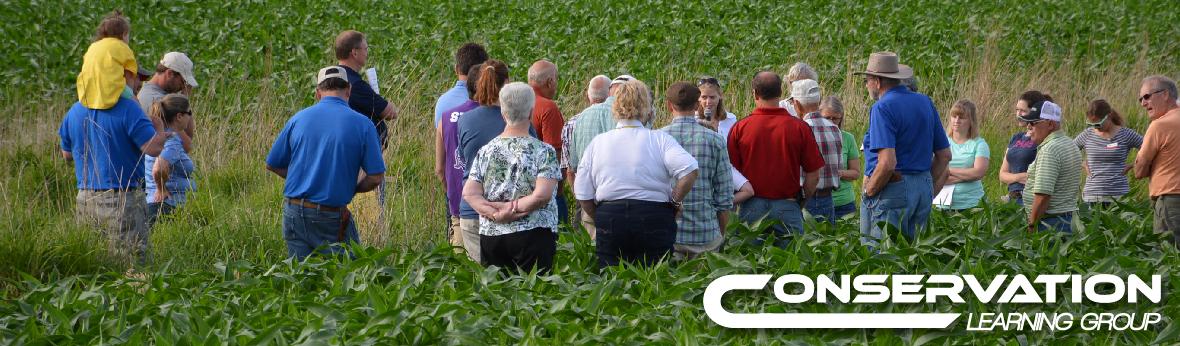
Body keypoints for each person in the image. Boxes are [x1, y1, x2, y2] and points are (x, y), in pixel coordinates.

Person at [265, 66, 386, 259]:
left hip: (294, 210)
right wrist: (352, 187)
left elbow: (272, 163)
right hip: (331, 216)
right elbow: (376, 176)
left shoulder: (298, 119)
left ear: (318, 93)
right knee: (349, 274)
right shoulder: (363, 124)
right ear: (349, 91)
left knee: (301, 278)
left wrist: (307, 178)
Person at [575, 79, 699, 268]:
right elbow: (689, 170)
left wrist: (599, 217)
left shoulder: (598, 143)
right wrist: (674, 202)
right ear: (647, 108)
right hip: (654, 215)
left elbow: (583, 193)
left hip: (610, 215)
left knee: (611, 279)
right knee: (654, 277)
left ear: (615, 106)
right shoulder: (659, 139)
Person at [59, 80, 172, 267]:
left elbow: (67, 154)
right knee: (133, 266)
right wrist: (159, 130)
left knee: (93, 265)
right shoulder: (128, 108)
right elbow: (152, 148)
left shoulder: (75, 110)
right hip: (123, 198)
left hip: (85, 196)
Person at [855, 52, 951, 248]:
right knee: (915, 256)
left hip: (892, 189)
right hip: (923, 185)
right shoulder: (925, 102)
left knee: (881, 258)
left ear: (878, 81)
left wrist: (870, 190)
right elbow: (944, 155)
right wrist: (924, 185)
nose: (866, 85)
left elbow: (888, 163)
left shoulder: (882, 107)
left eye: (867, 80)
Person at [463, 83, 560, 274]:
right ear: (531, 112)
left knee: (498, 296)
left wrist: (495, 214)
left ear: (503, 113)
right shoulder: (543, 151)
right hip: (533, 233)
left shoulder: (486, 151)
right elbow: (542, 196)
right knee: (534, 296)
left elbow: (470, 193)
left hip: (492, 235)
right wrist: (512, 208)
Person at [728, 71, 824, 247]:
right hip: (787, 204)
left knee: (749, 262)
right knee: (792, 263)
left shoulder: (740, 128)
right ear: (780, 93)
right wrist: (802, 201)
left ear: (755, 93)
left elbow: (731, 172)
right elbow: (814, 174)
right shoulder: (799, 127)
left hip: (751, 206)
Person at [457, 60, 537, 263]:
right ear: (507, 82)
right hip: (515, 211)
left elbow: (464, 159)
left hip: (474, 210)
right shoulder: (521, 123)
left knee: (486, 285)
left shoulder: (465, 120)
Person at [660, 82, 733, 259]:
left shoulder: (657, 139)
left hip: (668, 235)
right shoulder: (715, 140)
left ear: (669, 105)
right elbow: (724, 197)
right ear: (696, 105)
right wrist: (720, 236)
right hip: (705, 235)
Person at [567, 74, 632, 239]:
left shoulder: (582, 116)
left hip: (587, 196)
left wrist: (581, 197)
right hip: (619, 200)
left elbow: (572, 166)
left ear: (611, 91)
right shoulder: (628, 118)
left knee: (589, 252)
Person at [1020, 100, 1083, 233]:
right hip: (1067, 220)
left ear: (1050, 124)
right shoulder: (1070, 144)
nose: (1028, 127)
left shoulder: (1050, 149)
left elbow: (1043, 195)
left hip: (1051, 224)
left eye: (1033, 123)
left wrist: (1032, 225)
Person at [438, 64, 483, 247]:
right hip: (490, 208)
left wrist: (452, 195)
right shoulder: (495, 116)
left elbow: (439, 169)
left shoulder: (445, 117)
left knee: (460, 269)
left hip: (458, 205)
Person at [1133, 75, 1180, 245]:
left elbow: (1139, 171)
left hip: (1171, 200)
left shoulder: (1159, 125)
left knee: (1170, 256)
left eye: (1147, 96)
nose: (1143, 103)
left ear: (1165, 94)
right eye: (1141, 99)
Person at [791, 79, 842, 224]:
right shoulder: (834, 128)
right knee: (829, 243)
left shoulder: (798, 129)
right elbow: (838, 167)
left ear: (798, 104)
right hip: (828, 198)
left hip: (806, 199)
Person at [697, 77, 754, 206]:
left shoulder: (730, 119)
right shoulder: (694, 119)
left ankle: (717, 205)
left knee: (748, 190)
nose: (708, 102)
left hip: (725, 165)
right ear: (698, 98)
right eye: (704, 97)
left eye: (712, 97)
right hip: (702, 166)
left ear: (720, 97)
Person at [335, 30, 398, 147]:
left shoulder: (333, 79)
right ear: (354, 52)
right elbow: (390, 113)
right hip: (361, 152)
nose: (366, 53)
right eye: (365, 49)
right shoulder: (356, 85)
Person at [434, 43, 488, 181]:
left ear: (457, 69)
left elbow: (442, 150)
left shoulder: (442, 101)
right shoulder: (487, 101)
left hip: (453, 181)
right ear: (483, 70)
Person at [1075, 99, 1142, 208]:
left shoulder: (1126, 134)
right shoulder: (1087, 135)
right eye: (1091, 124)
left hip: (1119, 198)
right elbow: (1069, 151)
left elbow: (1149, 149)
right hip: (1092, 196)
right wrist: (1082, 163)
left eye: (1098, 123)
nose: (1095, 127)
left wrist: (1133, 165)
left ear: (1109, 116)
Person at [144, 94, 197, 228]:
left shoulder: (158, 136)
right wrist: (161, 190)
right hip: (166, 207)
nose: (190, 117)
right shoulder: (171, 142)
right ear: (179, 116)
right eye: (189, 113)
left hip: (156, 205)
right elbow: (159, 168)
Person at [526, 60, 569, 224]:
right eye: (556, 79)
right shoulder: (548, 107)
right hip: (547, 192)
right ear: (550, 82)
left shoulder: (517, 101)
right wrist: (558, 189)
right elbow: (555, 151)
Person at [77, 10, 140, 110]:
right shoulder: (123, 48)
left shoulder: (93, 46)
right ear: (124, 34)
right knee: (137, 106)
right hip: (111, 89)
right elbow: (130, 77)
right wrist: (131, 97)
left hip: (87, 90)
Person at [138, 52, 198, 152]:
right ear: (170, 73)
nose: (184, 87)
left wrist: (183, 99)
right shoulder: (160, 102)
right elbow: (187, 145)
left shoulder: (147, 93)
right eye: (183, 82)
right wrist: (184, 100)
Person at [937, 99, 990, 211]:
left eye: (962, 117)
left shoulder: (980, 144)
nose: (957, 120)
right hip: (942, 204)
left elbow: (978, 173)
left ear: (971, 121)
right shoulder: (941, 142)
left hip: (971, 204)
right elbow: (934, 175)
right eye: (954, 116)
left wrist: (948, 171)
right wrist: (967, 176)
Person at [999, 91, 1051, 205]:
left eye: (1022, 111)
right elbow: (1002, 174)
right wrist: (1018, 177)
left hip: (1031, 197)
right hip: (1013, 198)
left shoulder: (1042, 138)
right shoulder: (1016, 138)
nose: (1018, 114)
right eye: (1017, 110)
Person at [820, 96, 861, 219]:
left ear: (841, 118)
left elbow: (856, 173)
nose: (831, 122)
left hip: (844, 203)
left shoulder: (848, 138)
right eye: (827, 118)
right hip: (819, 202)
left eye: (835, 119)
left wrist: (838, 173)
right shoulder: (812, 136)